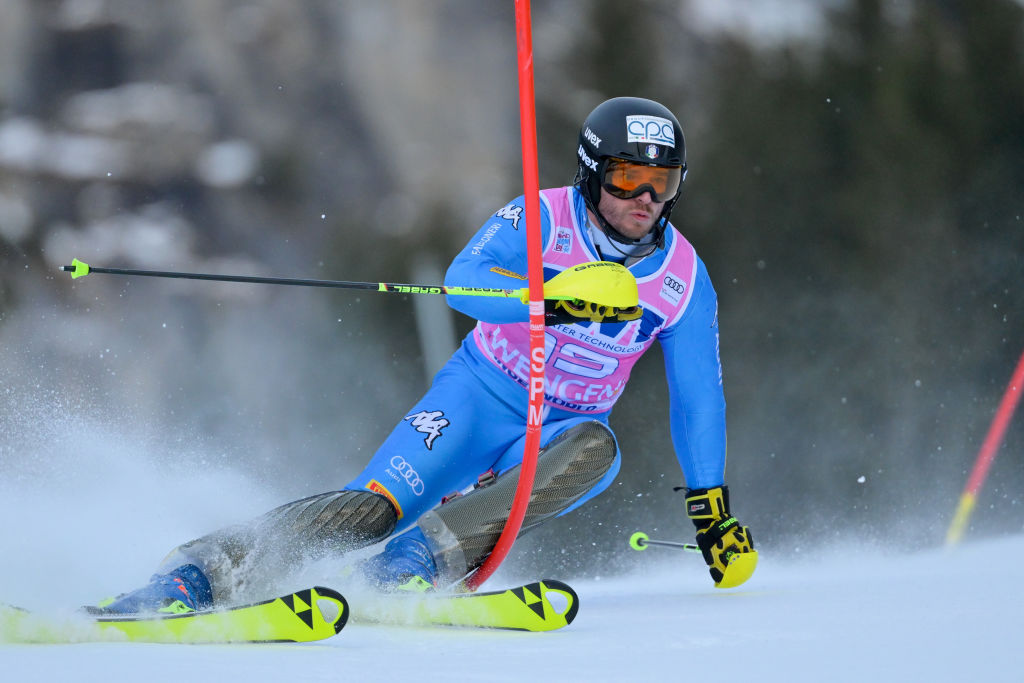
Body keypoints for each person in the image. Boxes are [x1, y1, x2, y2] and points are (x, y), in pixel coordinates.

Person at [95, 97, 756, 614]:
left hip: (556, 430)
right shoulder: (544, 218)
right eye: (628, 176)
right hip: (478, 395)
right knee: (373, 508)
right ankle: (203, 571)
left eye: (661, 182)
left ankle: (406, 567)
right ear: (592, 172)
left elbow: (699, 395)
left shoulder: (684, 278)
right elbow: (464, 278)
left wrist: (710, 507)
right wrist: (549, 297)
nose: (645, 198)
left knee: (598, 450)